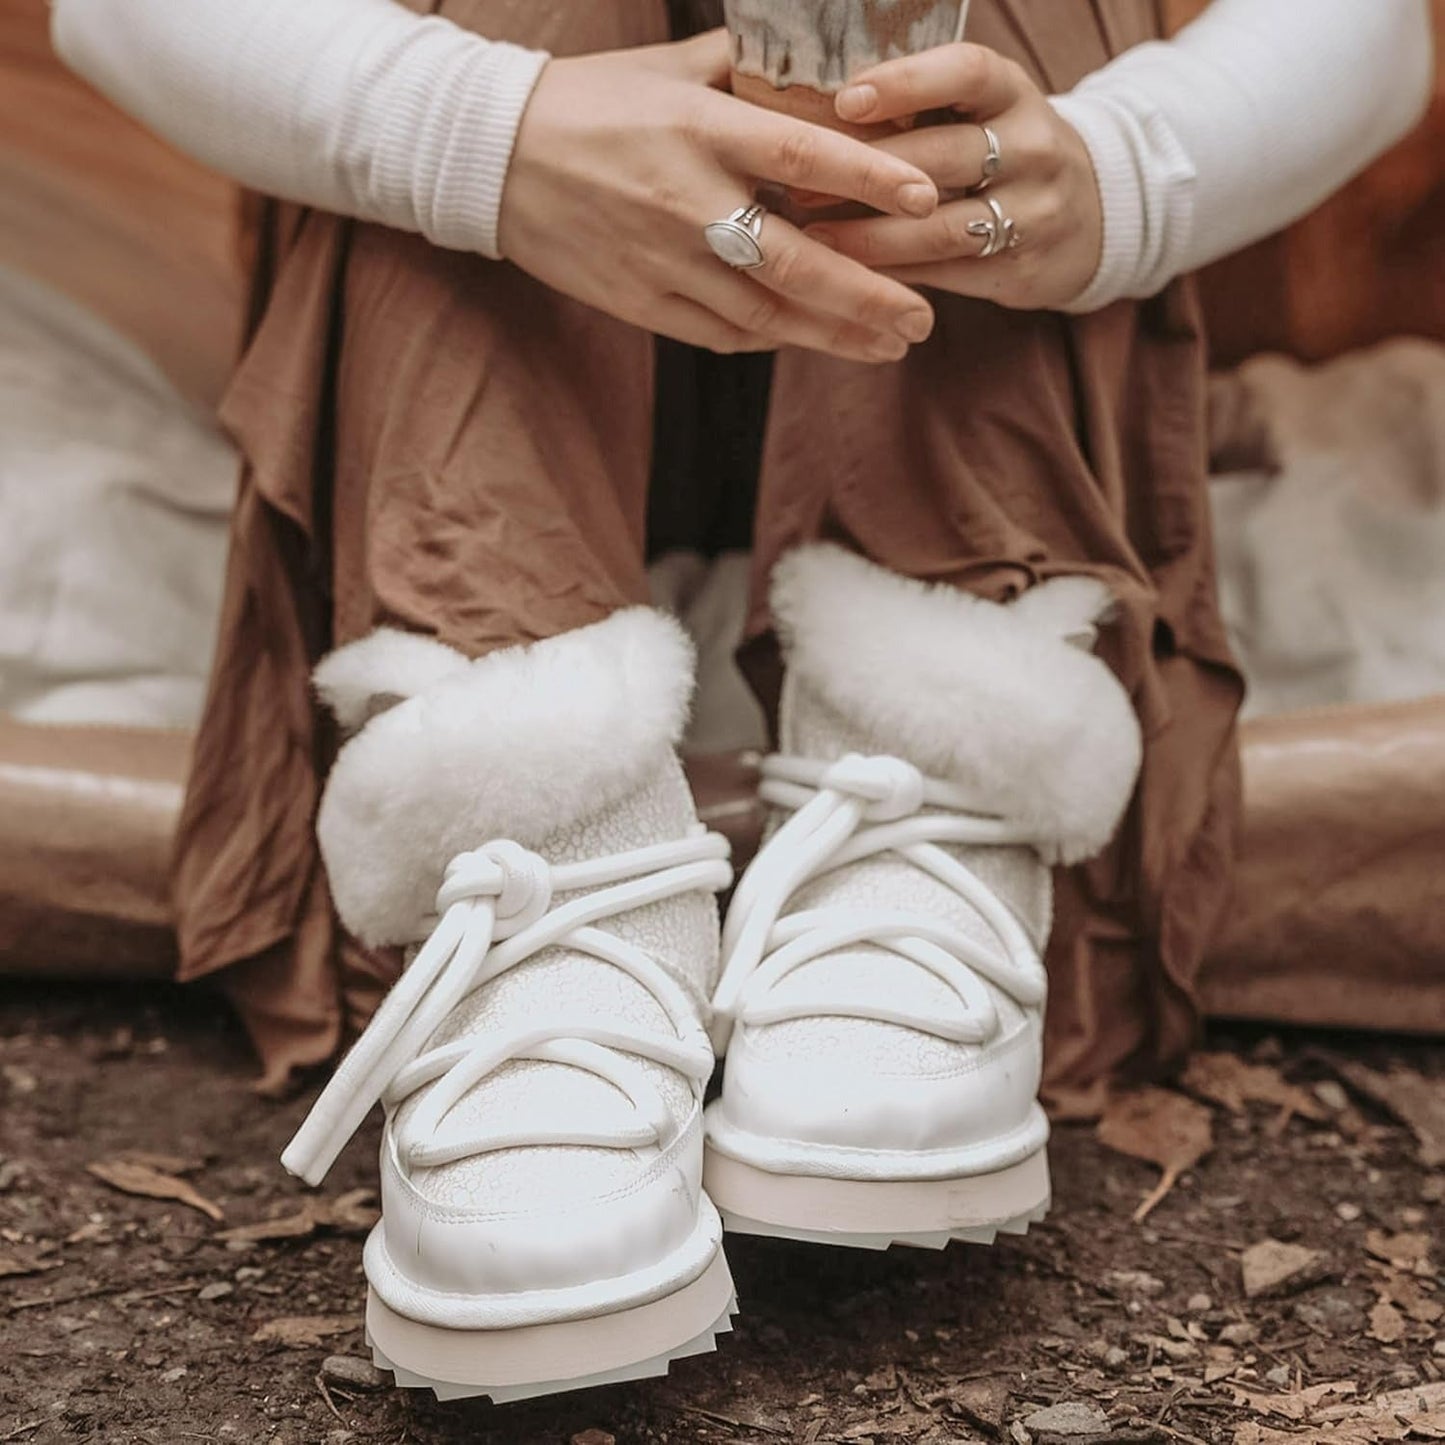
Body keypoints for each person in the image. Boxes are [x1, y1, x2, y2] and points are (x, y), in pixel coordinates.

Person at [54, 0, 1432, 1403]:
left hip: (970, 331)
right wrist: (484, 136)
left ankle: (929, 726)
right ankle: (539, 819)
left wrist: (1124, 170)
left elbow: (1372, 28)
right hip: (476, 351)